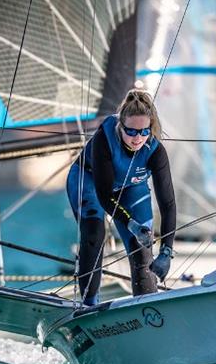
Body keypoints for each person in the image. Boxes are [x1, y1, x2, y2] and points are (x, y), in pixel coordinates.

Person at [66, 89, 176, 306]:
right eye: (131, 132)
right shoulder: (104, 139)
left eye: (144, 131)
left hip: (130, 186)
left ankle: (147, 308)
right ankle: (89, 305)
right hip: (89, 181)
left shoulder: (156, 151)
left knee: (142, 249)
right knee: (94, 234)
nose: (138, 138)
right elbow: (105, 195)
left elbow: (168, 203)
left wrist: (167, 250)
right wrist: (130, 224)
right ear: (120, 126)